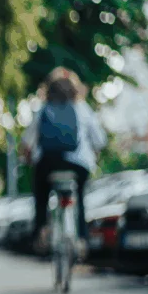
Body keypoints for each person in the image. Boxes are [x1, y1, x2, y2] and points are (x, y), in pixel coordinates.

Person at [21, 67, 107, 259]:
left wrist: (28, 160)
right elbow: (100, 140)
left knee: (41, 196)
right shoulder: (83, 109)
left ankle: (41, 230)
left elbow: (27, 143)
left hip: (48, 163)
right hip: (79, 165)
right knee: (80, 198)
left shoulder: (43, 109)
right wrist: (94, 154)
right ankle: (82, 239)